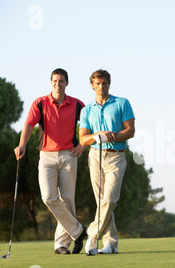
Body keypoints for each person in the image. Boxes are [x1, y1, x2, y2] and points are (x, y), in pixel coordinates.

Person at [14, 68, 87, 255]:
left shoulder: (78, 104)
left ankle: (62, 245)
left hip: (69, 155)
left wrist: (82, 146)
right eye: (55, 80)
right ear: (50, 82)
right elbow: (29, 125)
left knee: (67, 199)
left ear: (67, 83)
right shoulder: (40, 103)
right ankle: (78, 232)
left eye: (61, 81)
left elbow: (90, 126)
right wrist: (22, 144)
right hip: (46, 155)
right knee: (48, 197)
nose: (58, 84)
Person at [79, 69, 135, 256]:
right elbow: (82, 140)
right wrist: (96, 136)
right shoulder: (86, 110)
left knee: (110, 199)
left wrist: (114, 136)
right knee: (101, 202)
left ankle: (91, 234)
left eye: (104, 83)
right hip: (95, 156)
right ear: (92, 85)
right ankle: (110, 243)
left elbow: (130, 131)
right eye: (97, 84)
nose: (101, 87)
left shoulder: (122, 103)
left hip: (116, 156)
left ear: (109, 83)